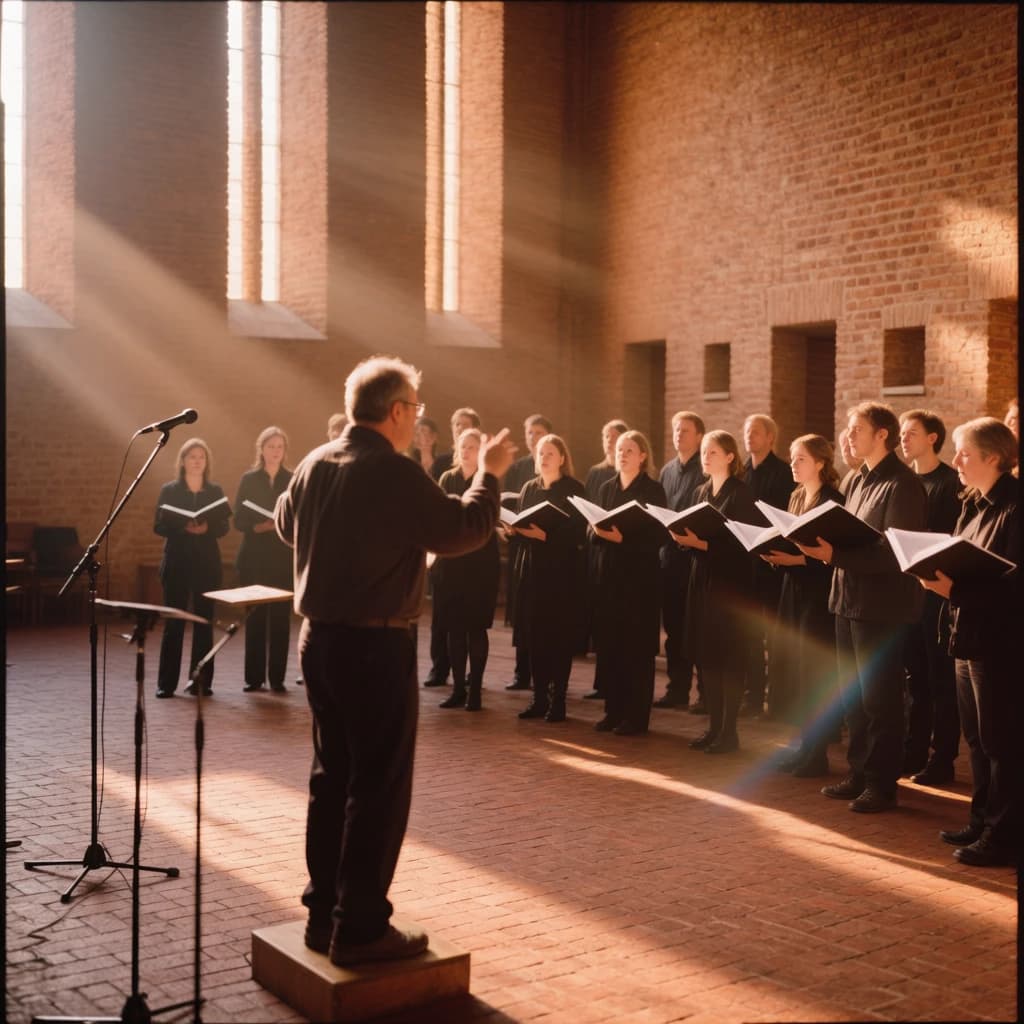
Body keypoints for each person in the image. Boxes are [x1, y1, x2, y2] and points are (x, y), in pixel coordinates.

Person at [275, 354, 515, 965]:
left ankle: (321, 913)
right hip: (374, 646)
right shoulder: (393, 471)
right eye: (417, 409)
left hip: (318, 643)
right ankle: (359, 928)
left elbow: (284, 522)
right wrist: (487, 476)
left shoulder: (314, 461)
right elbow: (461, 530)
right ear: (399, 411)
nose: (417, 420)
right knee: (377, 787)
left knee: (330, 780)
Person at [798, 402, 927, 813]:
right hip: (846, 600)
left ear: (882, 434)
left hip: (882, 605)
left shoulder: (903, 485)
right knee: (852, 695)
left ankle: (881, 783)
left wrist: (833, 553)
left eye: (857, 429)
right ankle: (857, 772)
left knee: (881, 699)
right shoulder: (856, 479)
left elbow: (893, 554)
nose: (849, 437)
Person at [920, 417, 1018, 867]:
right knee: (976, 739)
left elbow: (1013, 585)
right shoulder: (974, 503)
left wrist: (953, 591)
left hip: (998, 641)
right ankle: (981, 819)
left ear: (993, 457)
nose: (955, 460)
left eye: (964, 452)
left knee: (1002, 743)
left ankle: (1003, 836)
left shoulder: (1015, 507)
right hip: (966, 634)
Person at [672, 430, 760, 754]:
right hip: (702, 581)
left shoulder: (741, 494)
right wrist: (684, 541)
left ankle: (729, 732)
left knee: (729, 657)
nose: (705, 457)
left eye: (712, 452)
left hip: (730, 586)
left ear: (730, 457)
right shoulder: (700, 492)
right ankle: (713, 728)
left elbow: (743, 545)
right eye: (704, 452)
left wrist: (703, 543)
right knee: (707, 656)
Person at [762, 435, 844, 776]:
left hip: (817, 595)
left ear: (820, 463)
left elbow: (829, 556)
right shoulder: (796, 495)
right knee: (796, 670)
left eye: (800, 459)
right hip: (792, 591)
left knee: (814, 675)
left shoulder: (832, 500)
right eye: (792, 458)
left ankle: (816, 755)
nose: (793, 464)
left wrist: (794, 559)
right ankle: (802, 746)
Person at [898, 409, 961, 784]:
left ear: (933, 438)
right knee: (914, 679)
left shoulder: (949, 483)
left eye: (912, 432)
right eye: (903, 433)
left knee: (940, 681)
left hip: (936, 595)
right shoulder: (904, 482)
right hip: (905, 594)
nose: (905, 438)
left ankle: (943, 759)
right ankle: (914, 750)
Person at [591, 430, 667, 735]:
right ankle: (613, 710)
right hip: (609, 578)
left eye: (629, 450)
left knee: (636, 650)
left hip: (640, 581)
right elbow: (592, 529)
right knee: (611, 648)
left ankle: (636, 717)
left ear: (643, 456)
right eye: (619, 449)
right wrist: (600, 534)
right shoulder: (607, 487)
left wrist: (624, 539)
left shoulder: (653, 491)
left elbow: (659, 535)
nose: (622, 454)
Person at [508, 434, 586, 722]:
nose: (544, 457)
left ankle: (559, 701)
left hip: (562, 574)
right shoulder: (529, 488)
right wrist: (513, 531)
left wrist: (546, 535)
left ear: (562, 458)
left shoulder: (574, 490)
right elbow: (519, 523)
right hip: (532, 572)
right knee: (535, 638)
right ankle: (538, 698)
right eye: (540, 453)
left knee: (558, 639)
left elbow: (580, 533)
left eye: (550, 453)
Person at [153, 438, 231, 698]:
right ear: (183, 461)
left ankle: (201, 682)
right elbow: (159, 526)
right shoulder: (170, 490)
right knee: (174, 623)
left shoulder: (215, 491)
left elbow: (224, 526)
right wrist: (182, 527)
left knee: (203, 623)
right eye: (192, 457)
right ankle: (166, 684)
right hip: (177, 561)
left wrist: (208, 528)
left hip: (206, 563)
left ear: (206, 462)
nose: (197, 461)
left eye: (201, 457)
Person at [434, 429, 501, 711]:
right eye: (462, 446)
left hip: (480, 561)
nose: (466, 451)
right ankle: (458, 688)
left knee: (475, 627)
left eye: (472, 447)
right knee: (453, 628)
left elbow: (491, 515)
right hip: (451, 561)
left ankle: (475, 690)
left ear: (481, 451)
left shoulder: (488, 479)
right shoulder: (447, 478)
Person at [741, 414, 796, 718]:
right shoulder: (742, 471)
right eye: (747, 431)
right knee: (750, 635)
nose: (750, 436)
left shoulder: (783, 473)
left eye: (757, 432)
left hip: (772, 563)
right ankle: (751, 696)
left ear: (770, 438)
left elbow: (781, 519)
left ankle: (776, 700)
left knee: (774, 636)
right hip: (746, 564)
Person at [423, 406, 482, 689]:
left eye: (465, 426)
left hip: (476, 556)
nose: (459, 429)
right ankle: (440, 669)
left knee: (470, 622)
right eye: (456, 426)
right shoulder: (445, 469)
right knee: (442, 618)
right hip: (448, 554)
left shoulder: (486, 475)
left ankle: (471, 677)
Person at [234, 426, 294, 694]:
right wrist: (256, 527)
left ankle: (278, 678)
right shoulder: (249, 479)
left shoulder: (291, 479)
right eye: (271, 447)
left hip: (282, 557)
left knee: (281, 620)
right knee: (255, 618)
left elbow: (298, 517)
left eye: (280, 447)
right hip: (255, 556)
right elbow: (238, 518)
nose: (275, 452)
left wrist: (277, 524)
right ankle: (253, 678)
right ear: (262, 449)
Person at [654, 411, 707, 711]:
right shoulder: (667, 471)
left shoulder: (706, 469)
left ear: (699, 436)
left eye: (685, 430)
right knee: (674, 630)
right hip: (670, 560)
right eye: (676, 429)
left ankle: (704, 692)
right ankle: (677, 689)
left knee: (696, 628)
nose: (678, 435)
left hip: (695, 558)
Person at [503, 413, 554, 694]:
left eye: (538, 432)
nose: (532, 437)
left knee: (539, 617)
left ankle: (541, 675)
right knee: (520, 615)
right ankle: (521, 672)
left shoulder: (556, 472)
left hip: (546, 552)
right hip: (521, 547)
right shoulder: (520, 468)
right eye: (529, 432)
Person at [581, 418, 628, 701]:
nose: (609, 441)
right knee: (601, 622)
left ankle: (615, 685)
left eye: (614, 437)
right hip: (600, 552)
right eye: (605, 436)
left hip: (623, 558)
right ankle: (601, 683)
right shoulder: (596, 475)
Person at [410, 416, 442, 481]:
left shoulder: (442, 464)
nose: (418, 434)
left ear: (433, 437)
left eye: (423, 430)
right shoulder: (410, 464)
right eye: (416, 431)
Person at [838, 427, 864, 498]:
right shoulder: (849, 476)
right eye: (843, 446)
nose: (845, 452)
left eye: (850, 447)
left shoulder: (869, 476)